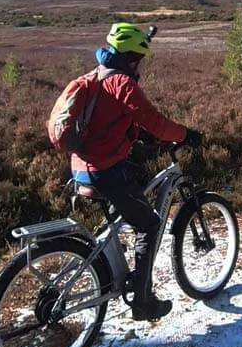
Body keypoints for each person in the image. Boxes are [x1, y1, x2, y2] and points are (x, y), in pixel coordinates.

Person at [71, 23, 203, 321]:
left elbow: (111, 117)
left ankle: (123, 268)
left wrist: (138, 134)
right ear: (134, 57)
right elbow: (153, 120)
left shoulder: (96, 75)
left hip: (82, 165)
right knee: (150, 224)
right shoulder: (122, 82)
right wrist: (184, 135)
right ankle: (143, 300)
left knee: (136, 186)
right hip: (104, 170)